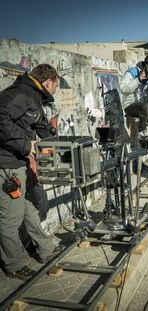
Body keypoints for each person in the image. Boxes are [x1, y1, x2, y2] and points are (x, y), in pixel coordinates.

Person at [0, 64, 63, 280]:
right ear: (48, 82)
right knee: (10, 218)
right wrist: (27, 146)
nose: (55, 91)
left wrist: (51, 140)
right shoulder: (21, 94)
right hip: (7, 165)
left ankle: (44, 248)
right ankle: (14, 264)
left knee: (28, 209)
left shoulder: (33, 96)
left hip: (18, 163)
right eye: (56, 86)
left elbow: (38, 124)